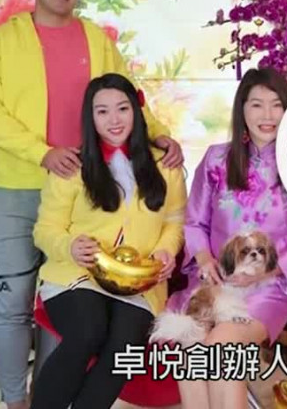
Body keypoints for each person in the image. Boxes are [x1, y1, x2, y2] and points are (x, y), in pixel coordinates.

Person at [0, 0, 183, 409]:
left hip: (86, 196)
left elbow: (128, 99)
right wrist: (42, 153)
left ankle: (54, 395)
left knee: (73, 307)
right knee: (11, 302)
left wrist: (161, 136)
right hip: (17, 188)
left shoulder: (96, 40)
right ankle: (14, 400)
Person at [166, 67, 287, 409]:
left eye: (277, 105)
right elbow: (195, 222)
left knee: (223, 345)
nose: (267, 115)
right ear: (242, 110)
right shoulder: (216, 159)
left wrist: (266, 271)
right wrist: (204, 260)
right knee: (190, 343)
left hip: (269, 287)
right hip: (213, 283)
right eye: (257, 105)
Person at [28, 74, 186, 409]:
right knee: (88, 331)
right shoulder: (73, 166)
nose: (114, 120)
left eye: (122, 109)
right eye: (102, 111)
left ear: (137, 112)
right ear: (91, 117)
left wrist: (166, 250)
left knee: (124, 349)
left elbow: (174, 221)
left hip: (141, 281)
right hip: (76, 275)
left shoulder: (165, 166)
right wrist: (69, 245)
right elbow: (45, 229)